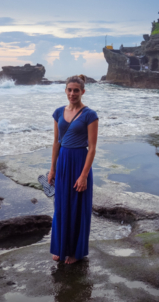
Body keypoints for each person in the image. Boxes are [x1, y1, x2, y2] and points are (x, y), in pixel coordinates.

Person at [49, 75, 99, 264]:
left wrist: (84, 175)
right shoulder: (58, 112)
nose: (72, 93)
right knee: (61, 206)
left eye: (76, 90)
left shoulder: (90, 115)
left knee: (78, 207)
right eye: (69, 90)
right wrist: (52, 169)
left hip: (79, 162)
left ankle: (75, 253)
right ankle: (60, 248)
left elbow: (92, 147)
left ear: (83, 92)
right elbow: (56, 142)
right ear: (65, 90)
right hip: (62, 162)